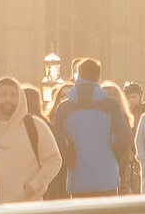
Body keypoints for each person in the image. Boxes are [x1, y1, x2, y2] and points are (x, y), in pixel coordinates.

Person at [53, 56, 134, 195]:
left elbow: (56, 139)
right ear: (98, 78)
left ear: (78, 76)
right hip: (107, 177)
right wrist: (110, 157)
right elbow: (123, 137)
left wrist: (69, 158)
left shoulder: (63, 108)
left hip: (78, 178)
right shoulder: (111, 106)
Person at [0, 75, 61, 204]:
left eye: (13, 95)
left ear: (21, 98)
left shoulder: (35, 127)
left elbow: (54, 160)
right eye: (4, 94)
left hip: (28, 209)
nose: (8, 99)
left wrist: (34, 186)